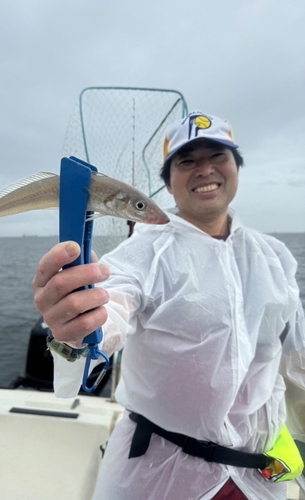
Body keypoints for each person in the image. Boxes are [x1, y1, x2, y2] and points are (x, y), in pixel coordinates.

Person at [32, 112, 305, 500]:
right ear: (169, 181)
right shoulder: (141, 252)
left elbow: (295, 360)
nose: (204, 169)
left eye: (218, 156)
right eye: (187, 161)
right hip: (156, 476)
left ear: (236, 169)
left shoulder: (275, 256)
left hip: (261, 474)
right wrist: (78, 323)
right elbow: (112, 308)